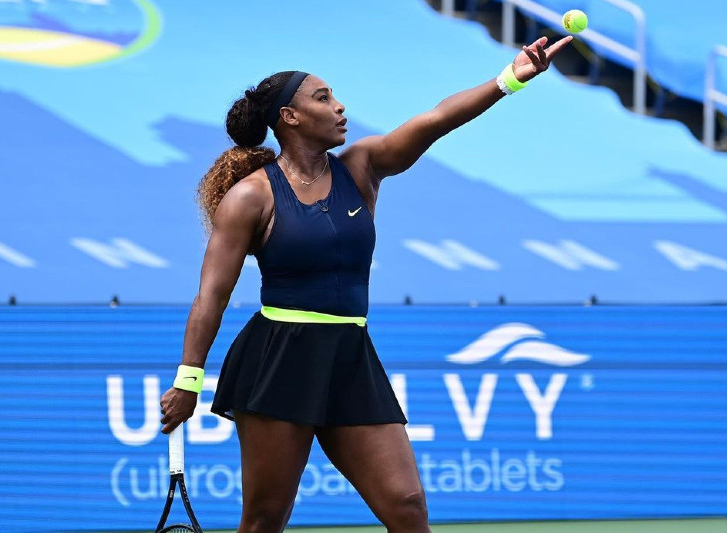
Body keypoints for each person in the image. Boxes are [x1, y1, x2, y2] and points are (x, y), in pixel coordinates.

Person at [160, 35, 572, 533]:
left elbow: (435, 120)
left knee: (406, 504)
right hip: (279, 359)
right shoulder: (250, 197)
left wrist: (510, 78)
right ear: (289, 117)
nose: (339, 107)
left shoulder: (362, 167)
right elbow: (212, 295)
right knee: (265, 519)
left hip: (350, 354)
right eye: (323, 98)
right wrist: (189, 380)